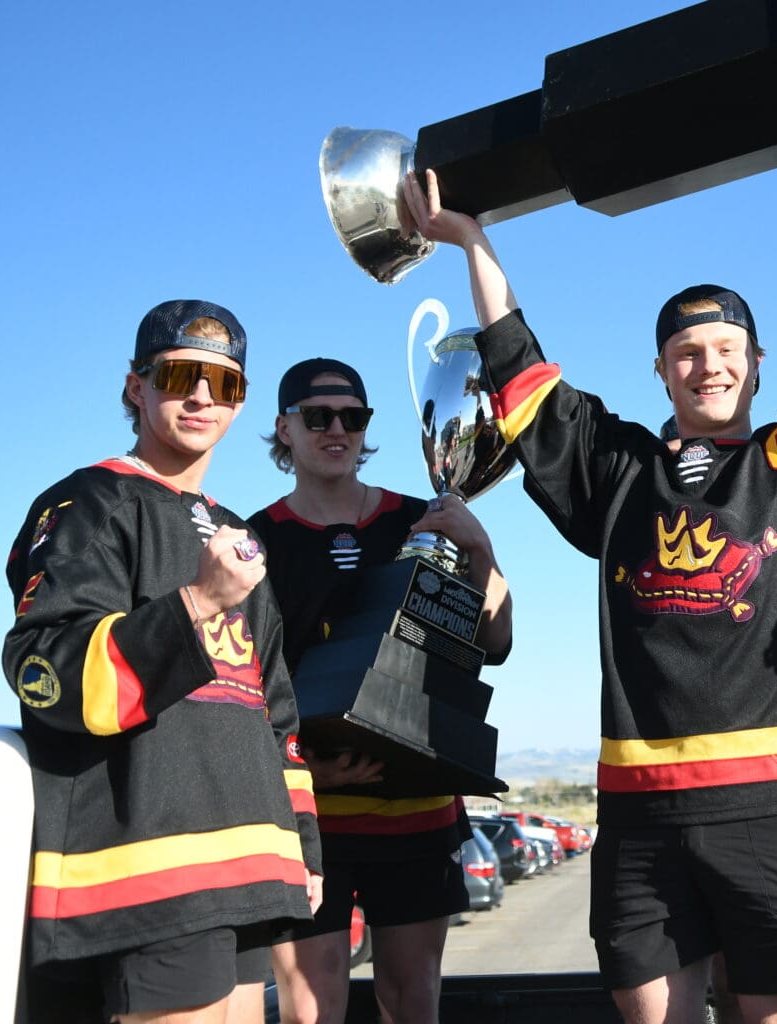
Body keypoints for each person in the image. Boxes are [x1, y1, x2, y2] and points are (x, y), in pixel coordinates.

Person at [403, 124, 777, 1024]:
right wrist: (475, 242)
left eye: (727, 349)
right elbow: (526, 382)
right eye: (688, 354)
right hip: (642, 809)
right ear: (660, 370)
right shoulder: (619, 473)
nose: (709, 365)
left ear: (756, 363)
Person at [3, 300, 322, 1024]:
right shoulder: (88, 502)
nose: (204, 396)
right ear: (135, 386)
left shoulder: (240, 532)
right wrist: (195, 604)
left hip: (248, 871)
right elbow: (42, 668)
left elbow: (274, 707)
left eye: (227, 383)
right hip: (148, 875)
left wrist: (303, 848)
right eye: (182, 374)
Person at [248, 357, 512, 1024]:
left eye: (353, 416)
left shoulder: (423, 520)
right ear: (284, 428)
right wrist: (307, 774)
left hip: (416, 807)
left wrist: (480, 549)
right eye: (318, 416)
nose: (337, 428)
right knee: (313, 1006)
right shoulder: (254, 540)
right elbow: (245, 685)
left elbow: (497, 643)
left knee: (412, 996)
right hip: (310, 814)